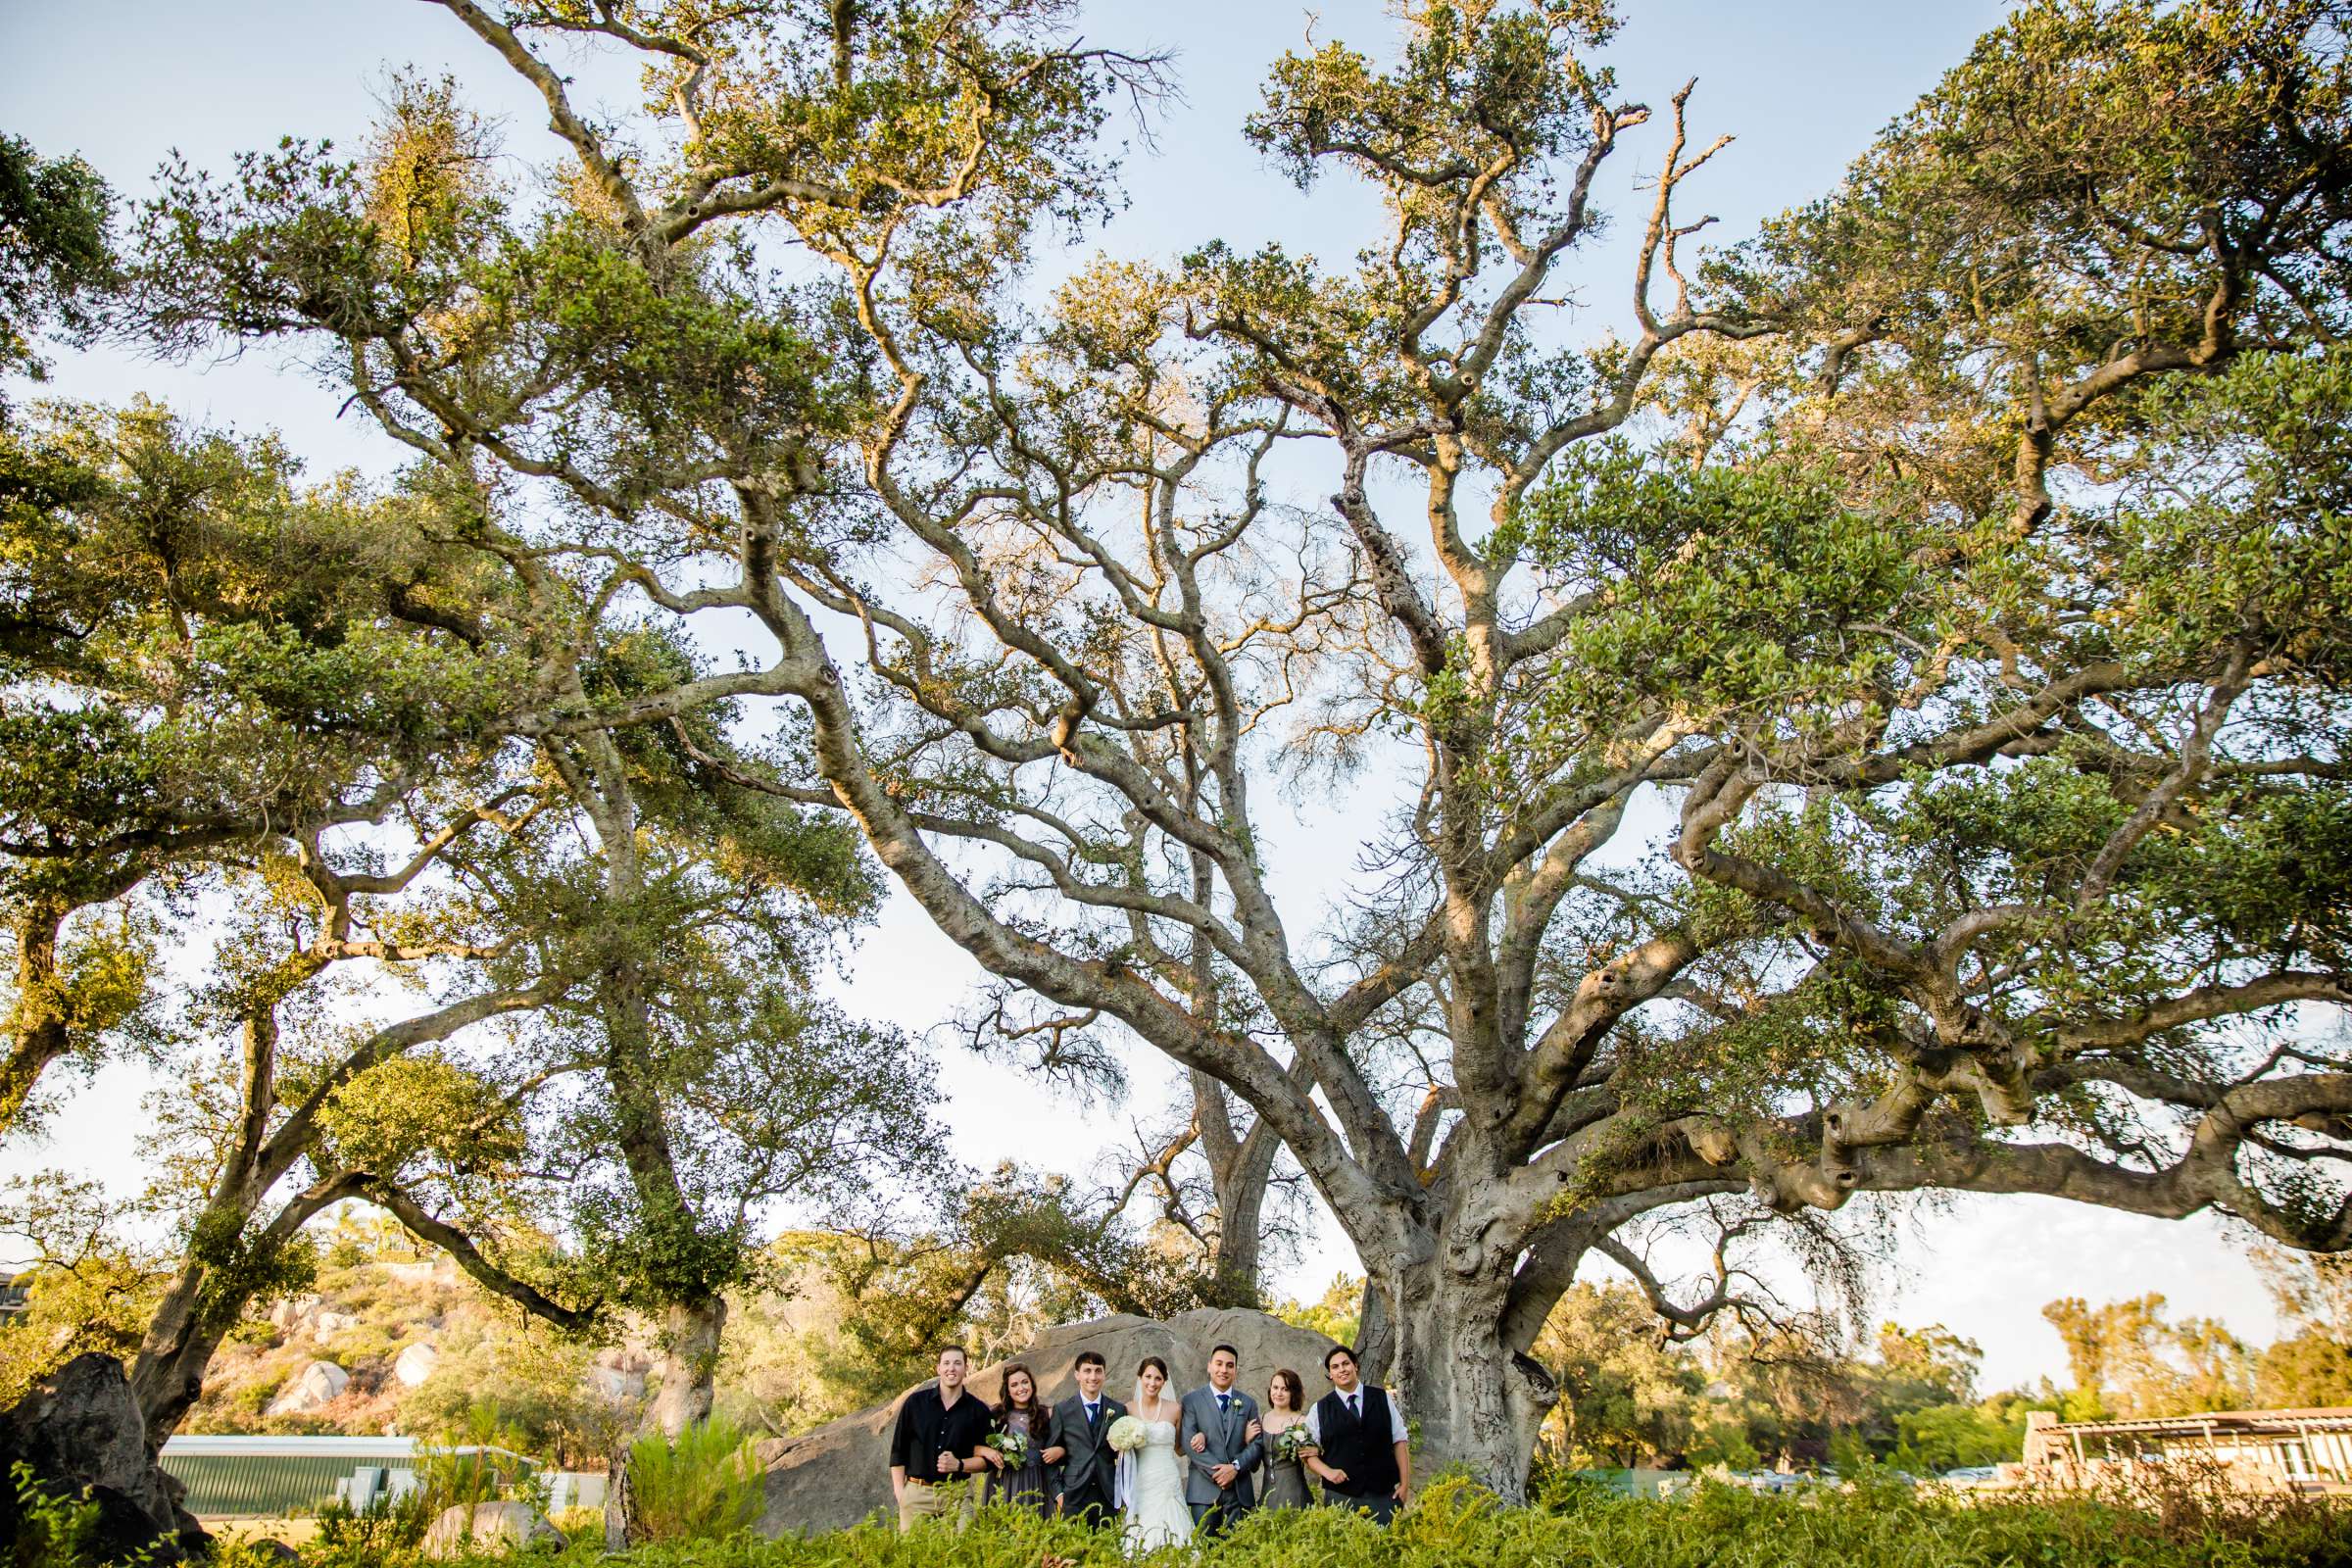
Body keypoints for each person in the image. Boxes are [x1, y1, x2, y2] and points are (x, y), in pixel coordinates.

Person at [888, 1346, 996, 1533]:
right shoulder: (915, 1403)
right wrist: (901, 1493)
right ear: (938, 1368)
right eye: (946, 1363)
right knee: (915, 1557)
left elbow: (986, 1461)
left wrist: (959, 1465)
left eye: (957, 1363)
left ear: (966, 1368)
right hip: (917, 1493)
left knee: (963, 1553)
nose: (951, 1368)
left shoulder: (978, 1410)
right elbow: (899, 1450)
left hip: (957, 1493)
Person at [1302, 1345, 1410, 1524]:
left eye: (1346, 1364)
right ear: (1330, 1374)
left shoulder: (1382, 1398)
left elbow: (1399, 1441)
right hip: (1341, 1497)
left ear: (1355, 1366)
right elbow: (1307, 1452)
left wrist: (1405, 1485)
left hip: (1383, 1495)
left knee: (1387, 1549)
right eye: (1335, 1367)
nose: (1342, 1369)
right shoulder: (1319, 1409)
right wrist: (1327, 1472)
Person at [1179, 1343, 1264, 1536]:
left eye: (1229, 1365)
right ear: (1209, 1366)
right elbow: (1188, 1443)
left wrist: (1234, 1467)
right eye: (1219, 1364)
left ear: (1236, 1370)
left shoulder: (1248, 1403)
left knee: (1239, 1553)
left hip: (1239, 1491)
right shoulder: (1191, 1401)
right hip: (1203, 1491)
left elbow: (1258, 1443)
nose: (1223, 1370)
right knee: (1204, 1553)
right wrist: (1220, 1473)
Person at [1117, 1354, 1194, 1553]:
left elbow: (1179, 1448)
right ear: (1140, 1378)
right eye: (1148, 1377)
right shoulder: (1128, 1409)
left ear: (1164, 1381)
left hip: (1167, 1478)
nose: (1152, 1382)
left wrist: (1199, 1437)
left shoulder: (1175, 1409)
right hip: (1140, 1480)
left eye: (1158, 1378)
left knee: (1173, 1529)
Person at [1042, 1348, 1125, 1526]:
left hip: (1108, 1496)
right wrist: (1059, 1494)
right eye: (1087, 1371)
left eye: (1098, 1371)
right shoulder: (1062, 1410)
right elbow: (1049, 1459)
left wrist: (1122, 1495)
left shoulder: (1118, 1410)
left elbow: (1123, 1456)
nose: (1093, 1377)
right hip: (1073, 1496)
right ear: (1077, 1375)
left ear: (1104, 1374)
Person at [980, 1362, 1051, 1512]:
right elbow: (975, 1445)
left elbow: (1059, 1444)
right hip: (1004, 1481)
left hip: (1035, 1481)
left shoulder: (1045, 1414)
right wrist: (989, 1452)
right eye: (1014, 1384)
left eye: (1025, 1382)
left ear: (1032, 1384)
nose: (1021, 1388)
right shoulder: (997, 1415)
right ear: (1008, 1390)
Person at [1254, 1368, 1316, 1510]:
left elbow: (1311, 1459)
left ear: (1293, 1393)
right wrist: (1247, 1439)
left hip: (1294, 1495)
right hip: (1267, 1496)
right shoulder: (1262, 1419)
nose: (1279, 1393)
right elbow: (1254, 1463)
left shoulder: (1302, 1422)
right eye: (1275, 1387)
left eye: (1285, 1389)